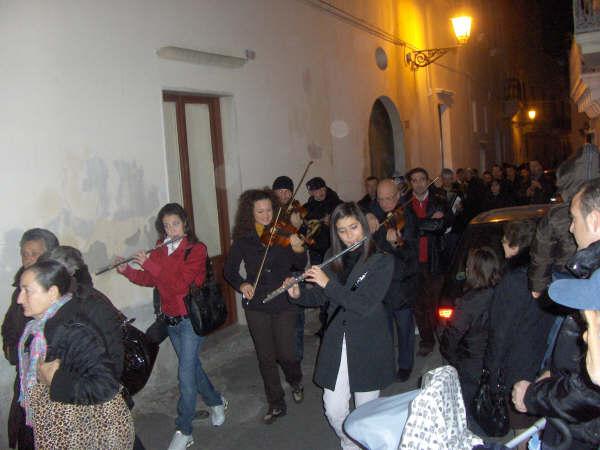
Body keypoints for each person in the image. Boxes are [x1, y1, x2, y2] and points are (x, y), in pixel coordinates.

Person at [286, 202, 395, 450]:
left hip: (369, 341)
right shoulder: (331, 258)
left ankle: (365, 442)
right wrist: (297, 294)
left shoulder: (382, 261)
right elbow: (321, 297)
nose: (349, 236)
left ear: (364, 226)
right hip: (338, 337)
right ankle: (352, 444)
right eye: (342, 231)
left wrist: (327, 284)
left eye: (354, 227)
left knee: (366, 413)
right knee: (333, 407)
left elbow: (363, 304)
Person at [118, 203, 226, 450]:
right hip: (170, 320)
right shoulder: (160, 249)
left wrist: (150, 264)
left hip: (190, 320)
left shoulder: (196, 250)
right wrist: (128, 271)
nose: (171, 230)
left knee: (185, 375)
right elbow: (151, 280)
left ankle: (184, 429)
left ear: (185, 224)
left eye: (175, 224)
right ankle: (216, 401)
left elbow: (180, 284)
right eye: (166, 226)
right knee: (193, 367)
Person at [512, 178, 600, 449]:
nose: (571, 229)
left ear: (595, 220)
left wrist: (533, 396)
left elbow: (590, 392)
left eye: (574, 218)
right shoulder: (590, 273)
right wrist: (557, 374)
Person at [17, 260, 134, 449]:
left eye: (27, 290)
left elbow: (106, 385)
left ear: (52, 292)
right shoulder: (37, 329)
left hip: (80, 430)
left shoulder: (73, 330)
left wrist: (56, 381)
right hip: (57, 425)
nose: (19, 299)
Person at [224, 189, 306, 424]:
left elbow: (300, 263)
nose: (266, 215)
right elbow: (229, 270)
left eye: (269, 210)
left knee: (287, 353)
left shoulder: (284, 232)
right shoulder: (243, 239)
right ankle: (276, 403)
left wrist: (298, 247)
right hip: (257, 303)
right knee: (266, 357)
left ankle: (295, 379)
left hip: (283, 300)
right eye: (260, 211)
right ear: (250, 214)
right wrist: (242, 284)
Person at [483, 220, 554, 435]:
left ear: (515, 245)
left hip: (519, 366)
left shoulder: (514, 281)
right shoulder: (545, 271)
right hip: (543, 359)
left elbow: (500, 332)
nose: (502, 245)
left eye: (504, 241)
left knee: (522, 430)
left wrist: (492, 372)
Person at [2, 228, 59, 450]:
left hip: (53, 382)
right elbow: (8, 327)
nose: (28, 259)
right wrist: (14, 351)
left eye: (34, 254)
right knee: (28, 435)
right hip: (26, 378)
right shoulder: (20, 289)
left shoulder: (65, 290)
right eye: (24, 254)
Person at [529, 143, 600, 299]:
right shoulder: (557, 215)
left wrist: (537, 287)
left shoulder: (556, 214)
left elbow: (542, 254)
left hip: (567, 279)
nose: (572, 228)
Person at [439, 246, 502, 421]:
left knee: (470, 411)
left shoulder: (469, 302)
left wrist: (453, 358)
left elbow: (452, 336)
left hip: (472, 364)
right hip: (497, 360)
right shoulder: (502, 292)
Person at [366, 179, 418, 381]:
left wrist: (398, 242)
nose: (386, 204)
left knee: (404, 328)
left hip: (401, 282)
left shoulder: (409, 216)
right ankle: (387, 364)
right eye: (381, 199)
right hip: (380, 283)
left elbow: (411, 253)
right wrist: (369, 214)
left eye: (390, 198)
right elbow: (364, 208)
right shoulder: (375, 210)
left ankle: (405, 365)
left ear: (398, 196)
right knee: (383, 329)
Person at [402, 167, 451, 356]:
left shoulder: (439, 199)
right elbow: (407, 232)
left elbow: (443, 224)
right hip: (413, 261)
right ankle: (427, 339)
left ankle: (443, 335)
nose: (419, 183)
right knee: (418, 303)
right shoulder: (404, 203)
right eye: (414, 180)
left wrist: (420, 226)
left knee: (436, 303)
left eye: (422, 179)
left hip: (435, 259)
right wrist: (428, 223)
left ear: (427, 180)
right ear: (410, 183)